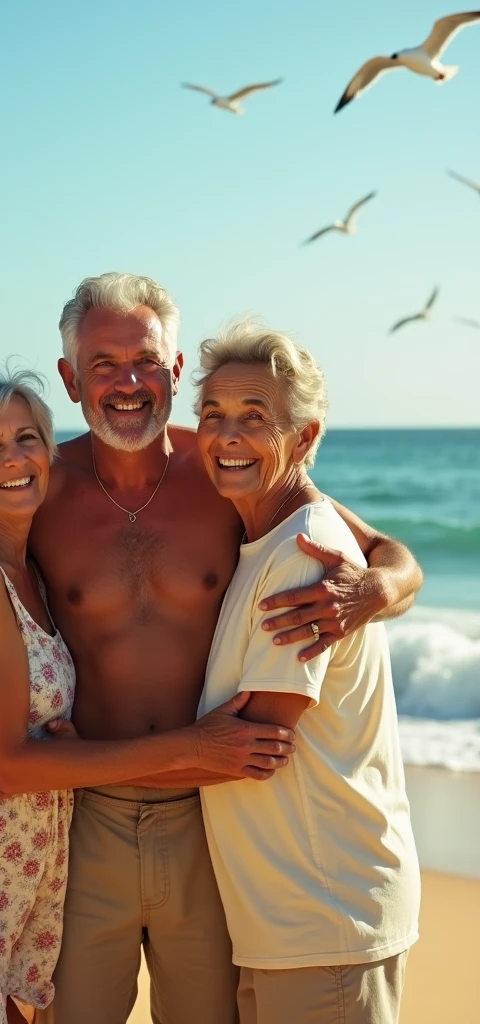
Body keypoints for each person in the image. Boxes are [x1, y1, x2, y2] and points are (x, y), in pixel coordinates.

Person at [0, 274, 423, 1024]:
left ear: (173, 372)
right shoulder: (38, 483)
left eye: (145, 362)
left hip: (208, 816)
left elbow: (385, 549)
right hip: (82, 817)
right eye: (103, 364)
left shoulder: (227, 468)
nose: (127, 383)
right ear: (69, 379)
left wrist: (376, 592)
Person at [0, 366, 295, 1024]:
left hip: (21, 849)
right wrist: (193, 747)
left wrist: (382, 583)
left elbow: (323, 514)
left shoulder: (22, 556)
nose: (16, 458)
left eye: (28, 437)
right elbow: (8, 762)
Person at [194, 319, 420, 1024]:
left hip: (329, 918)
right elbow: (384, 546)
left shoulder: (304, 557)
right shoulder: (263, 528)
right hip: (287, 921)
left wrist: (46, 764)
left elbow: (246, 751)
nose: (227, 435)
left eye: (254, 419)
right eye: (212, 415)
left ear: (306, 437)